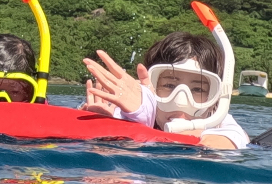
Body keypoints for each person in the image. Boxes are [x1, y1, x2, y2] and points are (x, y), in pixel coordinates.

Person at [82, 31, 250, 149]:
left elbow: (231, 141)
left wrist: (197, 133)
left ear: (215, 98)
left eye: (197, 89)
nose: (181, 101)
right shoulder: (133, 111)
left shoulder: (219, 121)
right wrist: (105, 125)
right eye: (169, 86)